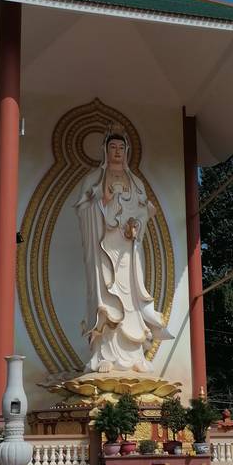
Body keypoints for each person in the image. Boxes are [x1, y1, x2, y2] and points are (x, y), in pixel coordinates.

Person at [75, 125, 172, 373]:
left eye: (121, 148)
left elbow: (144, 211)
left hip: (129, 248)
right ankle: (102, 355)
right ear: (105, 151)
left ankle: (134, 355)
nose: (117, 152)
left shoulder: (135, 182)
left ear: (127, 151)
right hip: (102, 249)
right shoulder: (94, 179)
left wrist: (136, 224)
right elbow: (83, 209)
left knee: (130, 300)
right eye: (112, 147)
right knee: (105, 296)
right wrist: (100, 205)